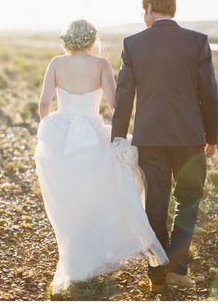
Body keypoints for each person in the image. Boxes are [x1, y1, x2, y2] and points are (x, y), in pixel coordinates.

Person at [34, 19, 169, 294]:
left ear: (68, 39)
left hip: (62, 136)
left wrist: (51, 129)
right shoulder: (101, 65)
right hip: (93, 134)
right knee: (95, 196)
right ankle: (92, 256)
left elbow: (44, 103)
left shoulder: (56, 63)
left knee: (69, 201)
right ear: (91, 39)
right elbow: (114, 104)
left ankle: (74, 261)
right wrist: (118, 135)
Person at [111, 0, 218, 292]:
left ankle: (157, 274)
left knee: (155, 203)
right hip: (189, 138)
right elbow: (209, 94)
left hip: (150, 139)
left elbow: (124, 97)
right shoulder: (197, 41)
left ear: (148, 9)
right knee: (188, 200)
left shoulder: (132, 44)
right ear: (173, 10)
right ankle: (179, 270)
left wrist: (117, 139)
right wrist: (211, 135)